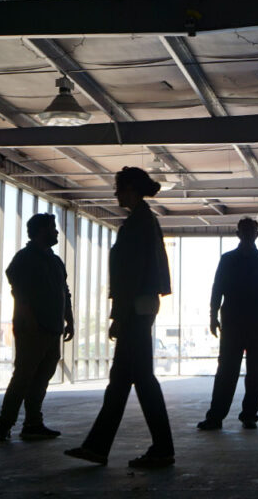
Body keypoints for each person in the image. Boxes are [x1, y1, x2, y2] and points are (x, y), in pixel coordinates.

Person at [65, 167, 175, 469]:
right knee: (121, 381)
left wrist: (119, 315)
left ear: (130, 189)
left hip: (135, 309)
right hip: (142, 306)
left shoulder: (137, 223)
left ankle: (162, 449)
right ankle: (98, 446)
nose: (116, 194)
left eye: (119, 188)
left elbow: (130, 275)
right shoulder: (145, 220)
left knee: (141, 379)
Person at [0, 213, 74, 443]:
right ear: (40, 231)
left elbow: (64, 293)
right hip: (33, 330)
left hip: (52, 328)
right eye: (52, 228)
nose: (56, 232)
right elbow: (19, 292)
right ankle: (4, 426)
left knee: (40, 379)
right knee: (23, 377)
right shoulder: (26, 258)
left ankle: (33, 424)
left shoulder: (55, 261)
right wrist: (30, 322)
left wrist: (70, 320)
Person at [197, 217, 258, 430]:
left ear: (254, 234)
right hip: (249, 322)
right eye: (246, 231)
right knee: (244, 371)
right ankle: (242, 416)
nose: (247, 234)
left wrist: (213, 316)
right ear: (242, 234)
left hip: (238, 322)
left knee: (236, 371)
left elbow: (218, 289)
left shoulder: (231, 260)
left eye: (250, 230)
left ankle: (221, 416)